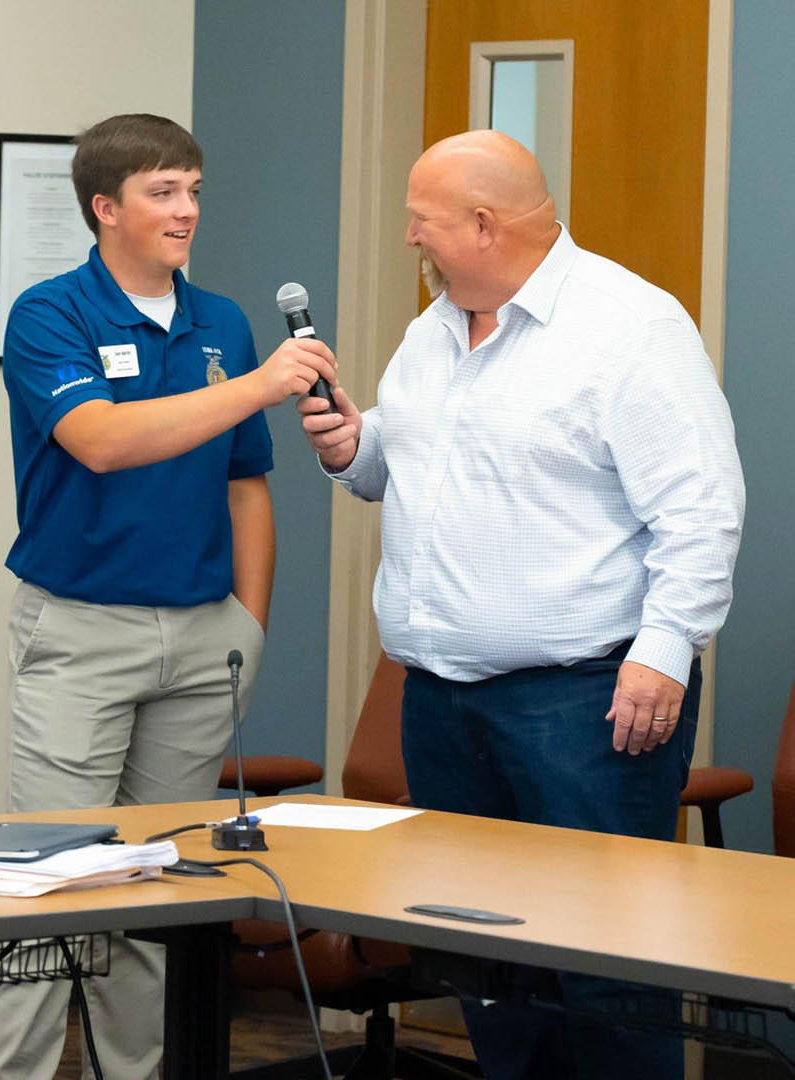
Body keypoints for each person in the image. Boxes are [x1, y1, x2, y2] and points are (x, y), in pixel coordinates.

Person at [299, 130, 745, 1080]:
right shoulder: (435, 330)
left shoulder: (630, 327)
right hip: (445, 702)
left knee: (608, 970)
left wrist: (665, 650)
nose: (411, 240)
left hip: (583, 705)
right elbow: (413, 461)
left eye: (422, 224)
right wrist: (353, 448)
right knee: (484, 968)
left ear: (485, 224)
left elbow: (702, 508)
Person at [0, 112, 337, 1080]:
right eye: (164, 192)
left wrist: (246, 623)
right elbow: (101, 438)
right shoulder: (50, 314)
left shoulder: (221, 321)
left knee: (153, 888)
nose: (187, 211)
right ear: (105, 208)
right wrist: (258, 385)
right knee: (45, 880)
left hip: (202, 634)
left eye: (195, 191)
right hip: (81, 632)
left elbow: (245, 482)